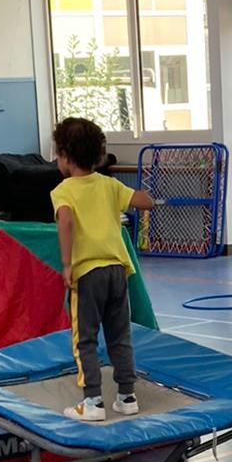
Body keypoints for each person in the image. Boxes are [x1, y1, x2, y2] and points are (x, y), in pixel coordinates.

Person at [50, 116, 153, 422]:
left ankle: (93, 401)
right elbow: (144, 201)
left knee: (85, 338)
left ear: (65, 156)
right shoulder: (109, 185)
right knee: (120, 335)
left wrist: (67, 264)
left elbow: (66, 221)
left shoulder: (64, 191)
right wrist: (141, 195)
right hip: (117, 271)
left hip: (88, 274)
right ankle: (127, 396)